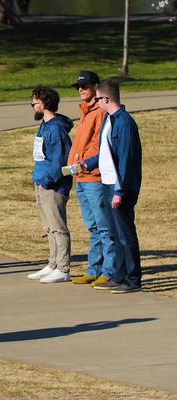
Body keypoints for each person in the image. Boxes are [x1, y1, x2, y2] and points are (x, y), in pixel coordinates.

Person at [83, 80, 142, 293]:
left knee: (125, 234)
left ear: (106, 99)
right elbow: (107, 153)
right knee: (114, 234)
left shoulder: (124, 123)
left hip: (120, 188)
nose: (96, 102)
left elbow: (125, 160)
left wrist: (120, 191)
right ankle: (118, 275)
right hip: (107, 184)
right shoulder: (109, 119)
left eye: (98, 99)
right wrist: (88, 163)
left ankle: (133, 279)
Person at [68, 71, 117, 287]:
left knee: (104, 226)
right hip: (80, 177)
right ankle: (94, 269)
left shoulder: (100, 111)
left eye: (85, 86)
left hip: (94, 177)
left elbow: (100, 144)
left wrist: (84, 161)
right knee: (93, 227)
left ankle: (110, 271)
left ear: (96, 88)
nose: (80, 89)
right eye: (78, 86)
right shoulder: (85, 110)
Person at [27, 85, 73, 283]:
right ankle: (52, 263)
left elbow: (61, 159)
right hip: (41, 180)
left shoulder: (56, 128)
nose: (32, 105)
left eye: (34, 102)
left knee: (58, 226)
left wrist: (48, 180)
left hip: (52, 185)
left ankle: (63, 268)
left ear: (43, 103)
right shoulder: (45, 125)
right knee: (49, 227)